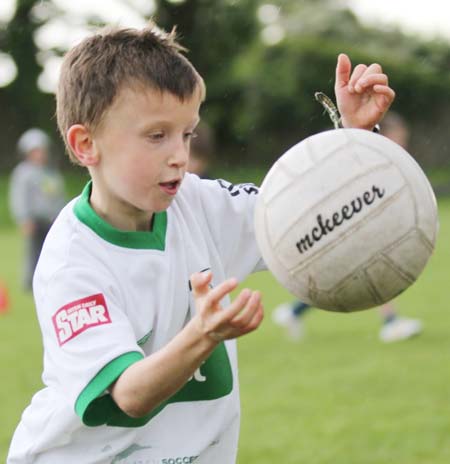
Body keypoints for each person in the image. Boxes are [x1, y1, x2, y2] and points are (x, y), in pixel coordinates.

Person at [7, 23, 394, 464]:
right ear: (85, 144)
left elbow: (300, 212)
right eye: (157, 136)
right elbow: (129, 394)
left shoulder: (200, 204)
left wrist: (354, 137)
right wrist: (203, 333)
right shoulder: (71, 261)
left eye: (186, 134)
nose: (179, 155)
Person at [272, 111, 422, 343]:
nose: (402, 144)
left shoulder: (381, 160)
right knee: (372, 267)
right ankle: (391, 323)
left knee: (342, 277)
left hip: (355, 226)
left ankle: (293, 312)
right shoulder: (359, 156)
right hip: (338, 224)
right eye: (398, 138)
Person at [8, 128, 66, 290]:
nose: (39, 155)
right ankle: (30, 281)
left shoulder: (51, 173)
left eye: (41, 151)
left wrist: (60, 215)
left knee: (51, 250)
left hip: (51, 220)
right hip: (34, 220)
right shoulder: (23, 173)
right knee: (33, 251)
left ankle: (49, 278)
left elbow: (58, 196)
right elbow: (19, 198)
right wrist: (24, 218)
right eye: (35, 151)